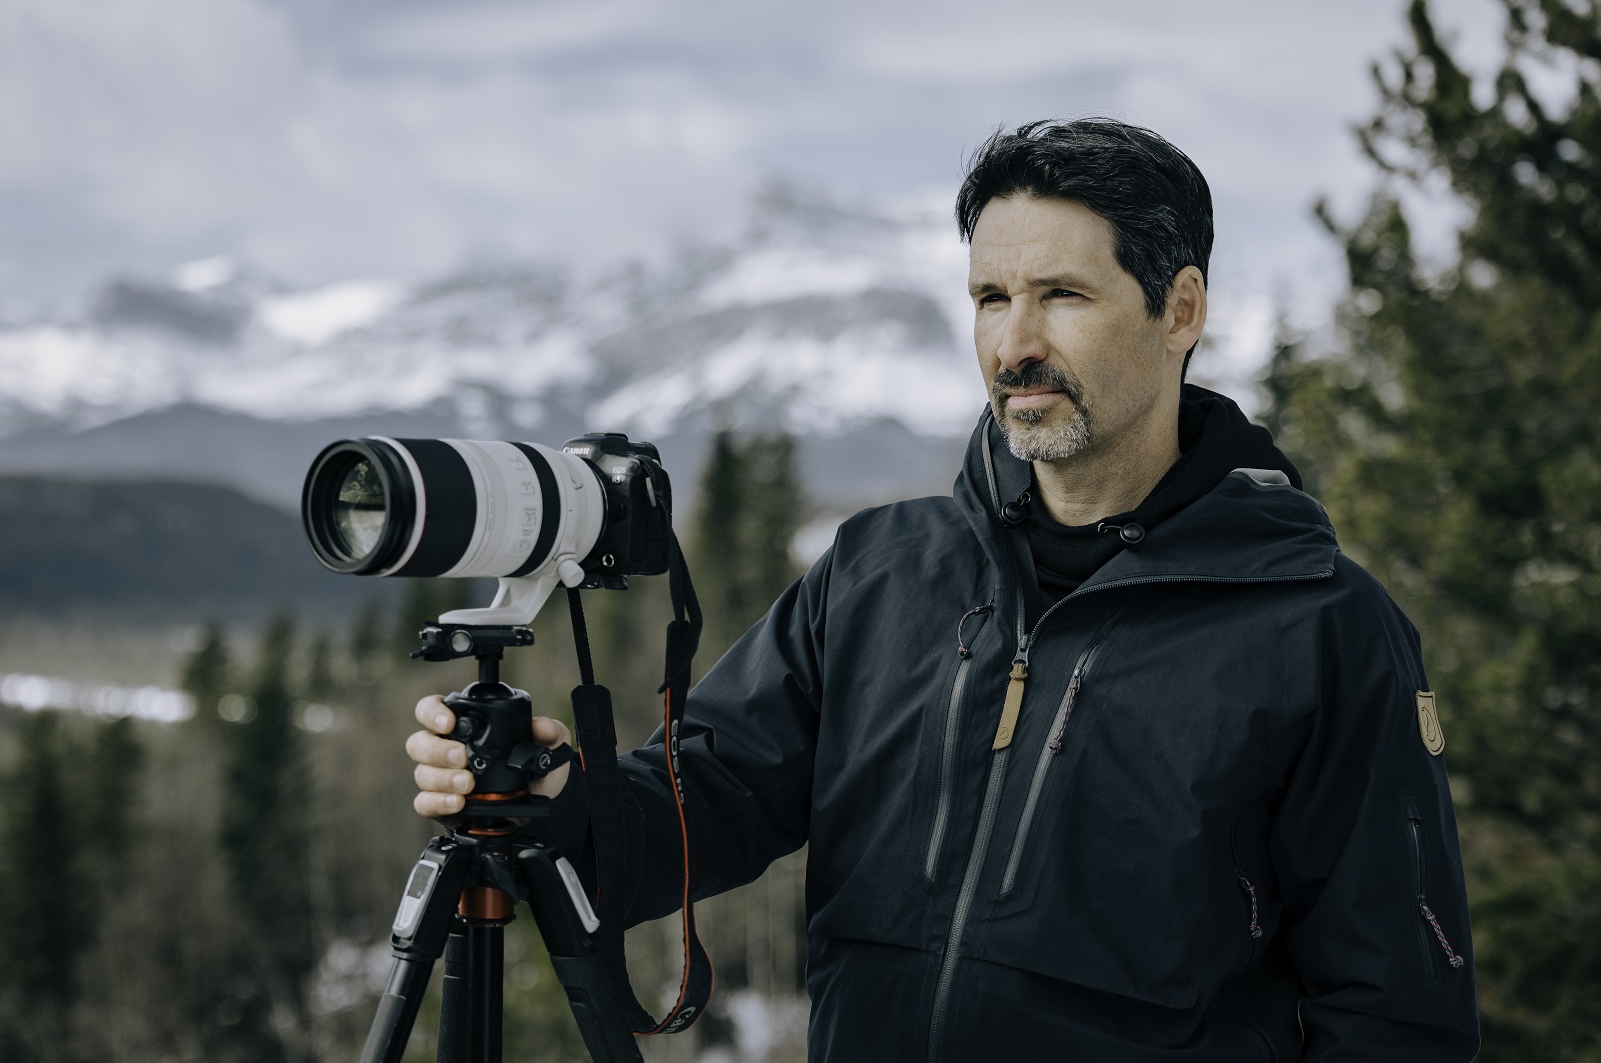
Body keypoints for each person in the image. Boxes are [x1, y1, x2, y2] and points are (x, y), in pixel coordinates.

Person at [406, 118, 1481, 1061]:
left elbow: (1393, 1012)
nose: (1015, 344)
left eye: (1062, 296)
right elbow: (713, 797)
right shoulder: (878, 570)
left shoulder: (1318, 626)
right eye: (990, 298)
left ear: (1179, 310)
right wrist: (563, 798)